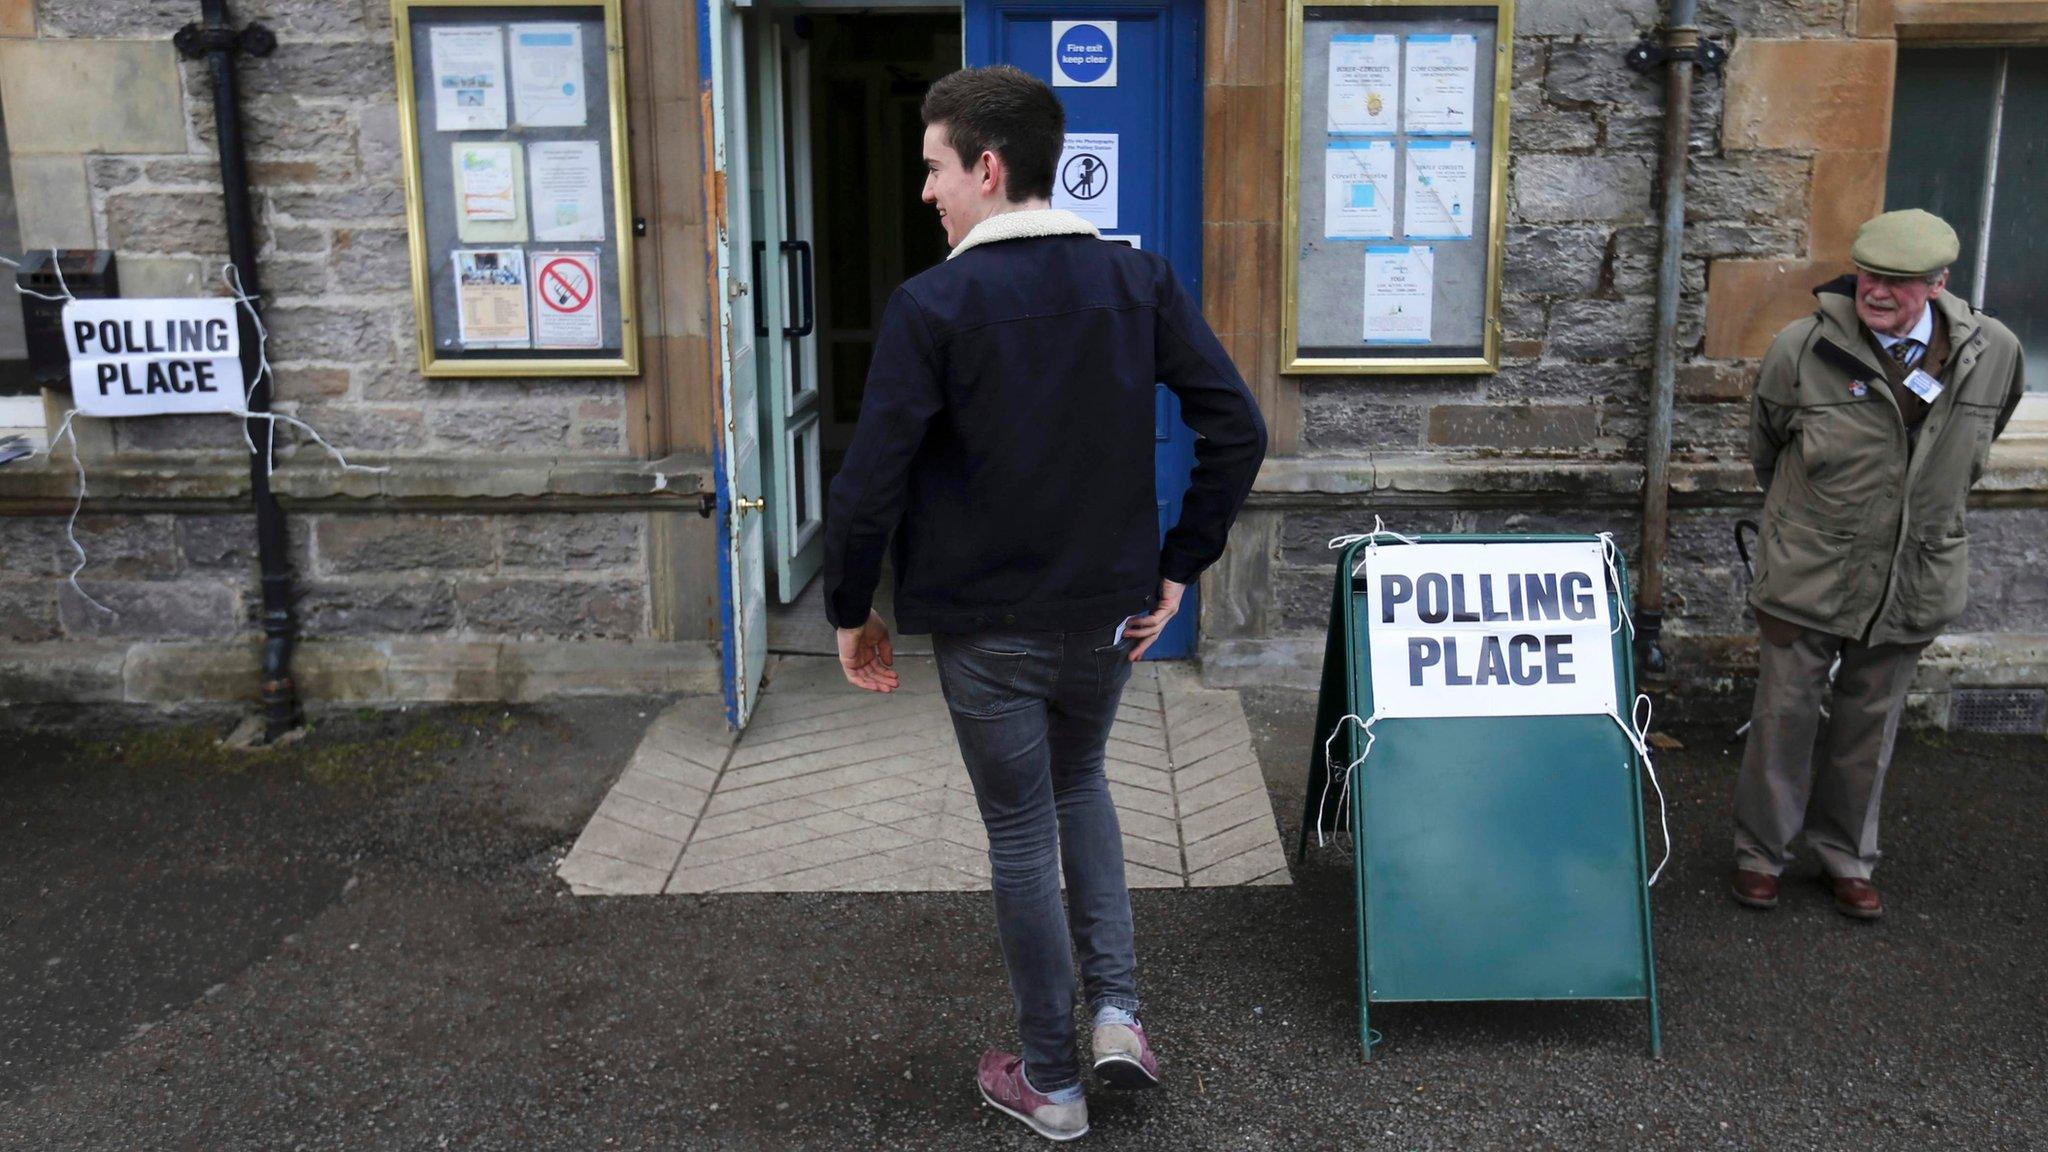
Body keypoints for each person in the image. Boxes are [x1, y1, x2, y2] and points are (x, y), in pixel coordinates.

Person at [820, 65, 1265, 1141]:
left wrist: (848, 608)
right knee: (1082, 789)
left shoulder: (931, 305)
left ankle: (1053, 1080)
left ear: (986, 165)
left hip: (985, 628)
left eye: (932, 168)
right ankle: (1116, 1016)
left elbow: (871, 476)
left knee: (1021, 831)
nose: (925, 192)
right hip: (1104, 616)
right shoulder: (1135, 281)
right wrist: (1179, 563)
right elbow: (1236, 428)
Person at [1733, 208, 2026, 920]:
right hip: (1809, 567)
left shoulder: (1996, 350)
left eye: (1899, 282)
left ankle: (1846, 859)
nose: (1879, 292)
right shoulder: (1801, 348)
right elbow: (1767, 449)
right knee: (1784, 715)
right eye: (1870, 275)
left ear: (1938, 283)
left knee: (1871, 723)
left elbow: (1981, 444)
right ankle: (1760, 854)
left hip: (1913, 572)